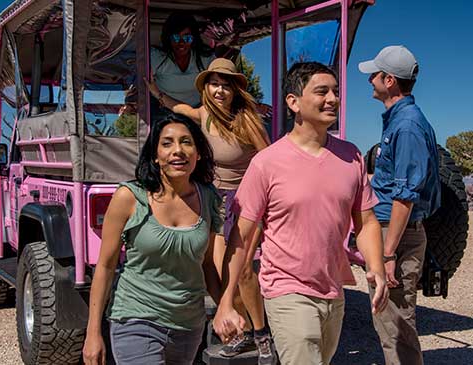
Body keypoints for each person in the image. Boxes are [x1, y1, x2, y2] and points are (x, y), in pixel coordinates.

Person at [213, 61, 389, 365]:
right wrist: (226, 300)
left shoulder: (352, 156)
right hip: (286, 289)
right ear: (293, 102)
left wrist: (377, 267)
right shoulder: (266, 163)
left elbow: (367, 221)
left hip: (334, 291)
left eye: (335, 92)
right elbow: (240, 237)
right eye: (322, 91)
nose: (333, 99)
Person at [149, 57, 276, 364]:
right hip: (212, 201)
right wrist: (152, 89)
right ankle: (237, 328)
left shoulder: (247, 120)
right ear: (206, 87)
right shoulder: (201, 115)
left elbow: (271, 159)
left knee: (243, 271)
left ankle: (262, 335)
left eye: (226, 85)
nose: (220, 90)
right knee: (216, 272)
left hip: (244, 202)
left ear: (234, 89)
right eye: (214, 84)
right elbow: (175, 106)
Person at [82, 114, 222, 365]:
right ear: (155, 156)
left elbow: (209, 265)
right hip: (136, 318)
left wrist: (224, 307)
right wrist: (93, 333)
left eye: (186, 142)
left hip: (188, 326)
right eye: (167, 143)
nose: (178, 151)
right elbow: (105, 266)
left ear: (198, 153)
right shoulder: (129, 196)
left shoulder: (208, 197)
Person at [359, 45, 441, 365]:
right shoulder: (400, 120)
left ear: (389, 80)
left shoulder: (406, 126)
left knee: (395, 322)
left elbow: (404, 196)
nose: (370, 81)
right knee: (390, 319)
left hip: (396, 235)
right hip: (394, 232)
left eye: (374, 76)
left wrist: (389, 253)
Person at [150, 12, 215, 122]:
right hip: (164, 111)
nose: (181, 43)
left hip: (198, 112)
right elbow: (145, 84)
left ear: (194, 38)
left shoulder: (206, 58)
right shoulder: (156, 57)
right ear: (168, 38)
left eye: (187, 38)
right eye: (176, 37)